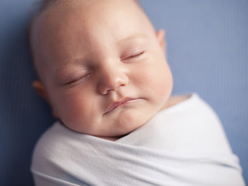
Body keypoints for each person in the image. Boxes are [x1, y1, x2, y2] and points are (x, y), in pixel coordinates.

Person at [29, 0, 245, 185]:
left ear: (161, 49)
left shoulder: (197, 118)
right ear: (49, 98)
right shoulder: (57, 156)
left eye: (134, 54)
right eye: (76, 77)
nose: (113, 81)